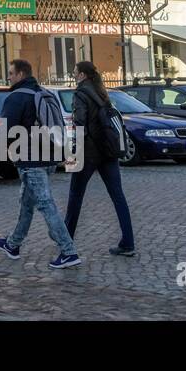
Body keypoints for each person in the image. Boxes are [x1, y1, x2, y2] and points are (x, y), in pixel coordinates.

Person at [0, 59, 81, 269]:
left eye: (11, 73)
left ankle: (68, 251)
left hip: (31, 159)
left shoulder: (17, 97)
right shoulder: (43, 92)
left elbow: (6, 130)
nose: (9, 77)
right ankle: (13, 244)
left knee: (45, 204)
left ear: (21, 74)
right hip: (49, 156)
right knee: (26, 203)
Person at [64, 61, 135, 256]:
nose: (74, 75)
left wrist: (72, 156)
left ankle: (66, 239)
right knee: (118, 196)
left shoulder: (80, 94)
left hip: (88, 152)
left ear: (83, 75)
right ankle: (128, 242)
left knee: (75, 196)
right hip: (108, 151)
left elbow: (79, 125)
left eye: (75, 72)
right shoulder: (102, 92)